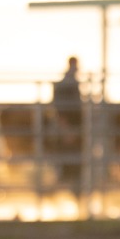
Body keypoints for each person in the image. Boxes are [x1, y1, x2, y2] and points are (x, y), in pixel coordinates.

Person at [52, 56, 83, 184]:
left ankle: (70, 181)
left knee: (73, 154)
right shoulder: (67, 83)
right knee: (68, 153)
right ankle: (67, 180)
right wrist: (65, 127)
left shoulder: (71, 82)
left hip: (72, 125)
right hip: (69, 125)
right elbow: (60, 106)